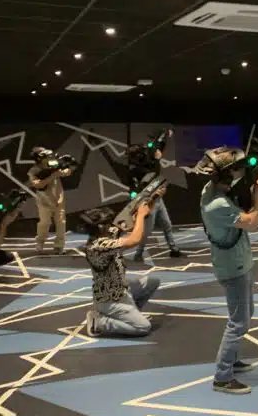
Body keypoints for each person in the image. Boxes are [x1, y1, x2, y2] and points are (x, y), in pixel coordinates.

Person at [198, 146, 258, 395]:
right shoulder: (217, 204)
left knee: (246, 314)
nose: (239, 174)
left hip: (238, 261)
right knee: (238, 322)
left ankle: (233, 359)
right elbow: (253, 223)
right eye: (235, 171)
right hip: (233, 266)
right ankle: (223, 377)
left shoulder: (211, 190)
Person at [80, 202, 161, 337]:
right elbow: (134, 239)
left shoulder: (103, 235)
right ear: (100, 227)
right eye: (107, 223)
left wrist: (149, 203)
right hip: (110, 300)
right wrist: (141, 215)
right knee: (143, 327)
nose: (111, 226)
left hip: (121, 289)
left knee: (152, 281)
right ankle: (99, 322)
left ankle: (131, 314)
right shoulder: (98, 245)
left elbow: (125, 226)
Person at [127, 143, 181, 261]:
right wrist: (157, 159)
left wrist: (157, 156)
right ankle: (138, 253)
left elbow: (156, 174)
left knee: (167, 224)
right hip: (148, 201)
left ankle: (173, 249)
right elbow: (151, 175)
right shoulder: (135, 170)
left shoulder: (147, 163)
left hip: (158, 199)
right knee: (147, 231)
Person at [28, 147, 74, 255]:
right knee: (44, 223)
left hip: (58, 200)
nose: (49, 158)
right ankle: (40, 242)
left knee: (61, 223)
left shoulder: (54, 165)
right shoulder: (34, 170)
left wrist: (69, 166)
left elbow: (66, 172)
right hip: (44, 200)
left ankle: (59, 246)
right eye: (45, 156)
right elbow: (38, 185)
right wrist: (52, 175)